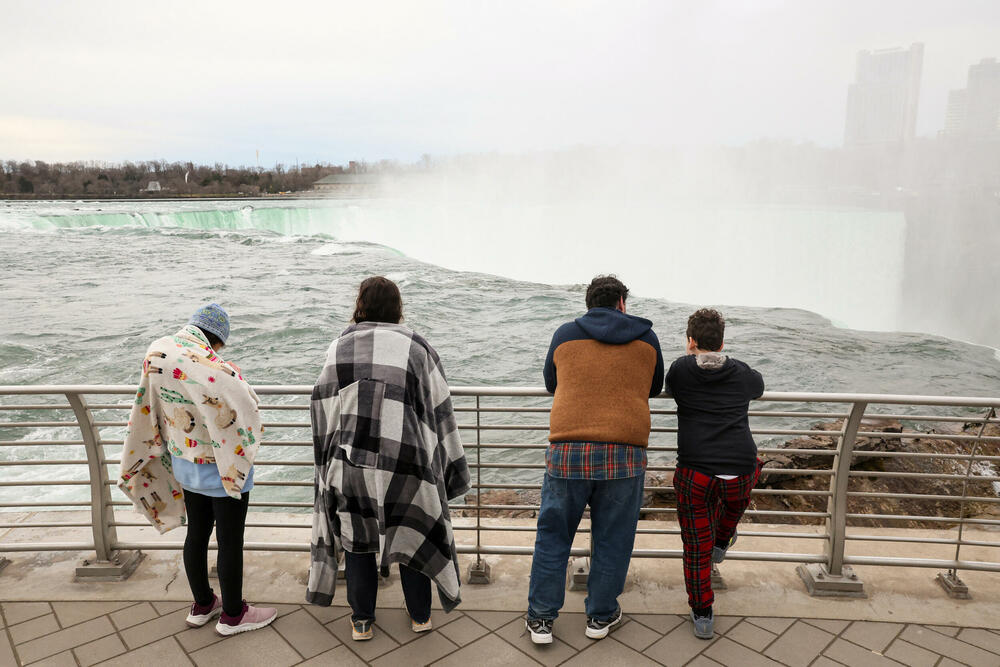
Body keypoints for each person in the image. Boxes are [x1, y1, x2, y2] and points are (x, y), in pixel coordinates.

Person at [307, 276, 470, 642]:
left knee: (357, 539)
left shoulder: (338, 348)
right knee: (412, 533)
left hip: (350, 464)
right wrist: (450, 467)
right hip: (406, 463)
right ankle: (420, 616)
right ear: (398, 308)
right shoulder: (416, 347)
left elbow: (322, 407)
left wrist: (327, 466)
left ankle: (362, 620)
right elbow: (440, 409)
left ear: (360, 306)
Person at [119, 303, 277, 636]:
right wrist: (232, 372)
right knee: (230, 541)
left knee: (197, 533)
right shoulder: (211, 366)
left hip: (184, 462)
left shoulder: (160, 352)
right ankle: (234, 615)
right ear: (216, 340)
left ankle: (203, 603)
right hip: (221, 467)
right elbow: (245, 404)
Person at [525, 275, 664, 644]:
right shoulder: (648, 339)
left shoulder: (565, 334)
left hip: (568, 452)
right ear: (622, 302)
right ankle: (600, 618)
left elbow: (552, 383)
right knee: (614, 539)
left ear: (589, 304)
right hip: (624, 454)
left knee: (553, 537)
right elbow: (653, 387)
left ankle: (541, 620)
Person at [666, 308, 764, 640]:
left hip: (696, 473)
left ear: (691, 341)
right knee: (739, 493)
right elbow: (759, 386)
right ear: (722, 342)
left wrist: (690, 354)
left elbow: (677, 380)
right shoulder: (741, 372)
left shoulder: (679, 371)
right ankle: (722, 541)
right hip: (740, 471)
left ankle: (703, 614)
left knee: (696, 548)